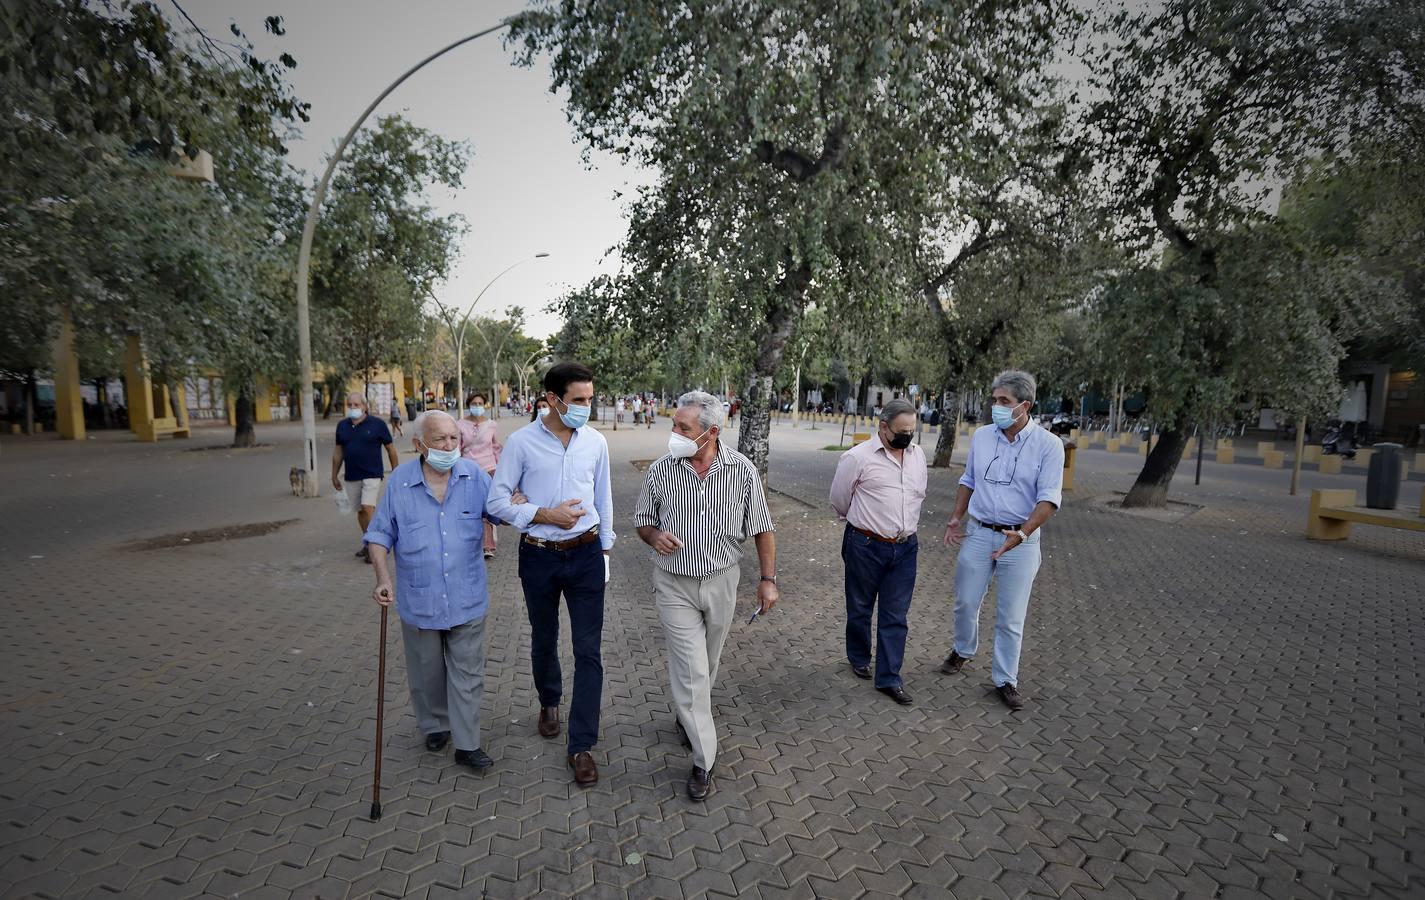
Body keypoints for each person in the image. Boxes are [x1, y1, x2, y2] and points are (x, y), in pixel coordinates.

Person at [634, 391, 777, 800]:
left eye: (683, 427)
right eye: (674, 425)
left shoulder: (743, 471)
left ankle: (688, 715)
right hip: (673, 585)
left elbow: (763, 529)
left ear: (711, 432)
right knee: (693, 669)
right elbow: (643, 522)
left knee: (708, 663)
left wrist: (768, 579)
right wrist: (655, 536)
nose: (674, 433)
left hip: (721, 581)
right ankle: (703, 760)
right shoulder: (662, 470)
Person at [487, 362, 615, 787]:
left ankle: (581, 745)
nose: (586, 406)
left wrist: (606, 549)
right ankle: (549, 700)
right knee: (544, 639)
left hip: (585, 556)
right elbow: (497, 502)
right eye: (579, 400)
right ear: (552, 399)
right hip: (539, 556)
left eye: (590, 398)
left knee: (588, 650)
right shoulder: (521, 443)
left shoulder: (595, 442)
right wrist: (543, 514)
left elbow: (604, 497)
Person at [364, 411, 500, 771]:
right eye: (440, 439)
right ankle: (436, 725)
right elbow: (379, 534)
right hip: (419, 597)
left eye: (454, 438)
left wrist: (536, 510)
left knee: (467, 674)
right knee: (427, 673)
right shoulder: (400, 482)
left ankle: (468, 744)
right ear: (419, 444)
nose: (449, 446)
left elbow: (502, 511)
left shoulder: (474, 477)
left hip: (466, 596)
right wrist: (382, 576)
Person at [941, 370, 1063, 710]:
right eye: (994, 400)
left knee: (1011, 616)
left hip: (1020, 541)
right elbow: (968, 479)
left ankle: (1005, 679)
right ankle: (963, 649)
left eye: (1003, 401)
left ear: (1024, 406)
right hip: (980, 533)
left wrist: (1023, 534)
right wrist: (956, 517)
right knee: (966, 600)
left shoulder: (1049, 446)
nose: (996, 406)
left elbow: (1049, 499)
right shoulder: (982, 437)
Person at [829, 399, 927, 706]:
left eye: (912, 430)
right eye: (901, 431)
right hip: (865, 545)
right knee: (860, 606)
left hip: (905, 548)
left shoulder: (918, 455)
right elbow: (839, 500)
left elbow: (918, 495)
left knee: (895, 615)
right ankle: (859, 656)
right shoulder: (856, 458)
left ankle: (889, 678)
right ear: (883, 426)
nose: (907, 437)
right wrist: (866, 524)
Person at [332, 392, 399, 562]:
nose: (353, 408)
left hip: (372, 473)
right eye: (350, 405)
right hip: (352, 475)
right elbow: (338, 452)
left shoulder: (377, 425)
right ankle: (368, 542)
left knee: (367, 507)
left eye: (357, 405)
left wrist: (397, 472)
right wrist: (334, 475)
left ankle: (376, 546)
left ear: (365, 406)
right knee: (360, 511)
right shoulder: (342, 426)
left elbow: (390, 449)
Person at [458, 393, 504, 560]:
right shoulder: (460, 424)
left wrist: (502, 471)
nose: (477, 406)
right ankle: (471, 540)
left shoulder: (491, 424)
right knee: (472, 507)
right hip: (467, 470)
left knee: (488, 508)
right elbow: (457, 448)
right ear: (468, 404)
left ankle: (488, 544)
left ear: (485, 405)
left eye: (480, 403)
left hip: (489, 469)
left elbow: (496, 447)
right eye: (473, 403)